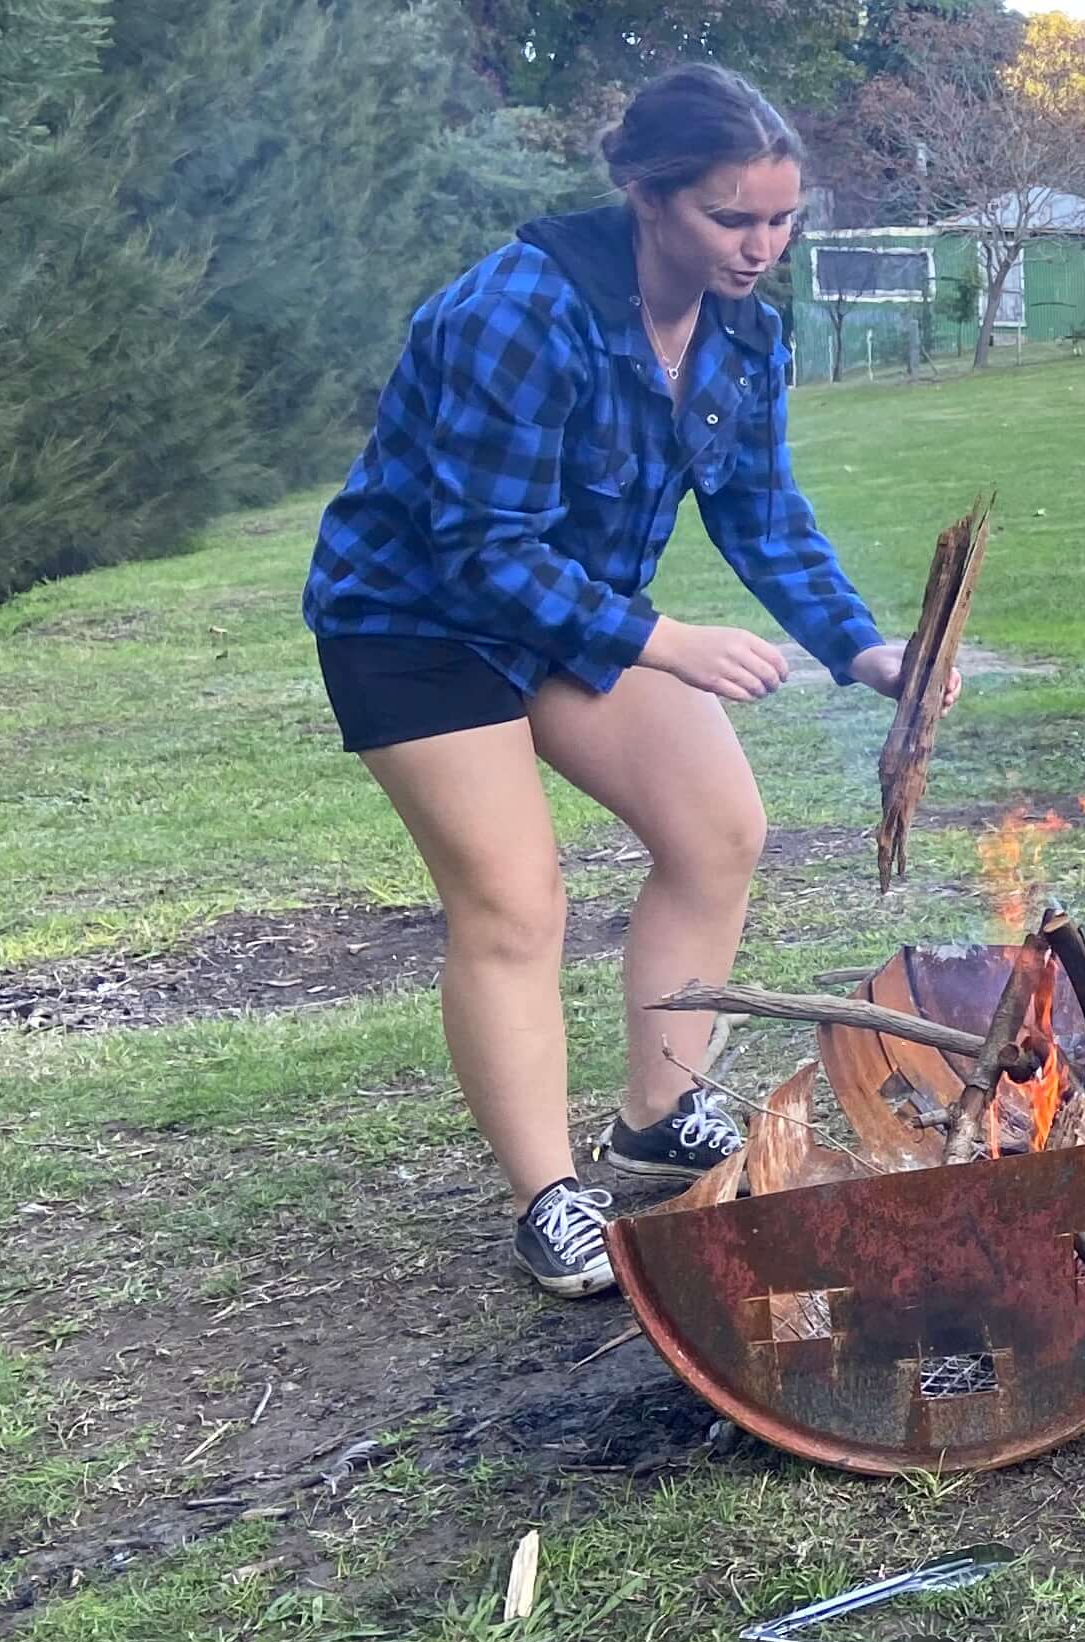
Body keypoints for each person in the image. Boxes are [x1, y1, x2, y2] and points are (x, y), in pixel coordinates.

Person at [303, 64, 933, 1299]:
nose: (764, 247)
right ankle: (549, 1197)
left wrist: (860, 646)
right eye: (732, 219)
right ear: (648, 198)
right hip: (414, 623)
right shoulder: (516, 314)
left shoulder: (745, 327)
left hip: (571, 616)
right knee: (514, 899)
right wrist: (660, 640)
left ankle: (661, 1109)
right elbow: (478, 551)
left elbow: (760, 509)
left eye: (783, 218)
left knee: (718, 831)